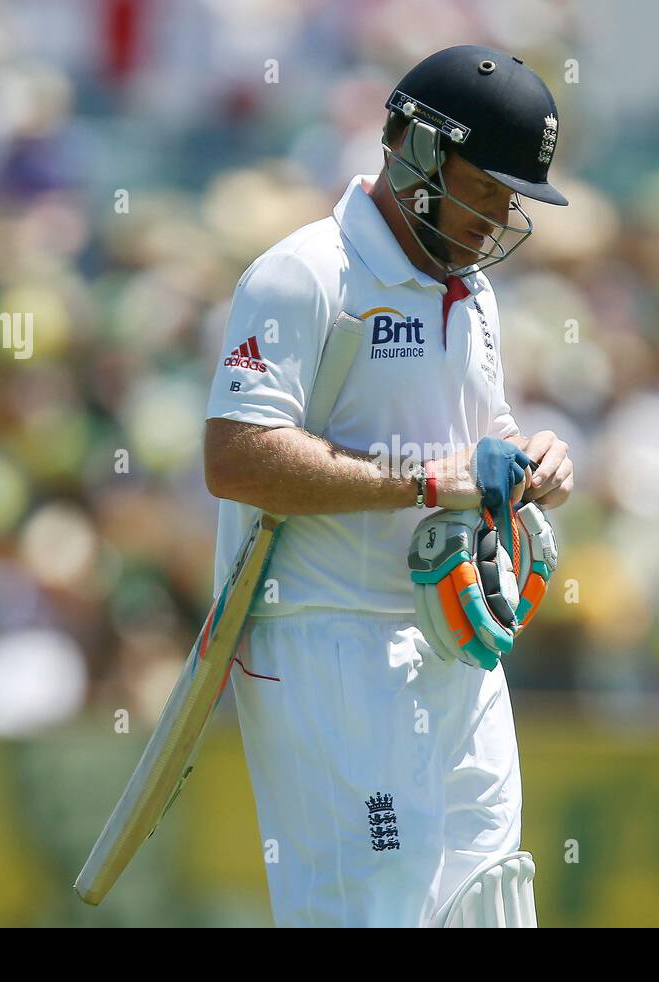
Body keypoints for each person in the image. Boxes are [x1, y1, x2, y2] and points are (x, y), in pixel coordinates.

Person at [203, 44, 573, 927]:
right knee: (373, 907)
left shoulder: (471, 290)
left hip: (456, 633)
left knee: (490, 901)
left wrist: (532, 462)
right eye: (487, 186)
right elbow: (236, 458)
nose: (501, 214)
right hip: (328, 641)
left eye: (513, 195)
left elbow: (483, 434)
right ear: (418, 154)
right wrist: (421, 483)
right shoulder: (306, 274)